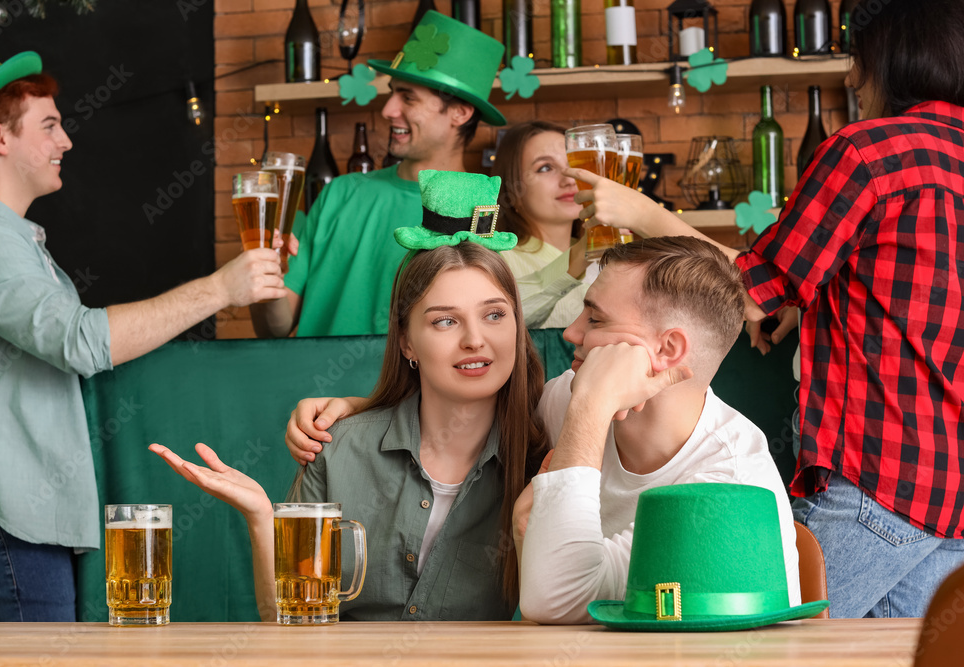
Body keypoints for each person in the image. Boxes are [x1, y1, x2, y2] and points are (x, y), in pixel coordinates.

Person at [569, 0, 964, 618]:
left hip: (877, 478)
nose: (852, 80)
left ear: (889, 57)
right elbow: (922, 298)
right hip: (950, 496)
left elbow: (751, 290)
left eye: (855, 62)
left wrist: (643, 213)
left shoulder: (867, 153)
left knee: (754, 644)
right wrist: (813, 304)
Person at [286, 237, 799, 624]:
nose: (571, 333)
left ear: (666, 352)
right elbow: (469, 407)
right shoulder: (562, 400)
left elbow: (555, 599)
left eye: (595, 321)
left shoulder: (729, 490)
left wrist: (592, 409)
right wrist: (363, 410)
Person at [150, 171, 562, 621]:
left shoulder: (545, 455)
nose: (475, 340)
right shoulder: (338, 447)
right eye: (445, 321)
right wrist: (261, 518)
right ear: (406, 342)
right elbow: (289, 624)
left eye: (495, 315)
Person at [0, 50, 285, 621]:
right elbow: (81, 342)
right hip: (4, 519)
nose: (65, 141)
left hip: (20, 518)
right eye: (49, 126)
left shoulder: (12, 239)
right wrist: (219, 290)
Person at [250, 11, 507, 339]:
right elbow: (274, 328)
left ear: (460, 112)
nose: (388, 110)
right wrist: (264, 278)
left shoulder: (483, 214)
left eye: (408, 98)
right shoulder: (340, 193)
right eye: (393, 92)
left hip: (415, 392)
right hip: (312, 388)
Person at [492, 121, 590, 328]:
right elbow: (498, 323)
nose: (570, 180)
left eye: (574, 165)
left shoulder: (608, 254)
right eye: (546, 168)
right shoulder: (497, 259)